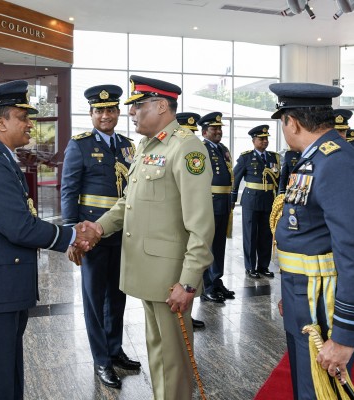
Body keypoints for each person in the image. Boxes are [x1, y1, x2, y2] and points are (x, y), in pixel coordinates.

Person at [0, 80, 99, 400]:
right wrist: (73, 235)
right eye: (23, 117)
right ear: (1, 122)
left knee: (6, 381)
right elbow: (19, 227)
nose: (30, 123)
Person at [83, 75, 214, 400]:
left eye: (138, 105)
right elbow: (128, 202)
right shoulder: (147, 146)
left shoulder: (186, 147)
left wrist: (188, 282)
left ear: (161, 106)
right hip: (150, 273)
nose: (131, 112)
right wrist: (99, 228)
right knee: (159, 354)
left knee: (173, 360)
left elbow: (201, 224)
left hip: (171, 279)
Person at [268, 82, 354, 400]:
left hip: (323, 302)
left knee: (321, 393)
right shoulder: (314, 158)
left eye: (283, 123)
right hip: (304, 295)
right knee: (305, 388)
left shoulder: (337, 162)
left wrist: (345, 335)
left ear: (292, 122)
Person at [61, 84, 141, 389]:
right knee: (94, 299)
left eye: (110, 110)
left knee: (117, 295)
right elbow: (69, 190)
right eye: (99, 111)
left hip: (122, 232)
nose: (105, 115)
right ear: (91, 114)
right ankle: (101, 360)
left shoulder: (128, 146)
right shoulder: (80, 145)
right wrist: (73, 234)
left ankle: (115, 349)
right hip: (90, 235)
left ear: (118, 112)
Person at [197, 111, 236, 303]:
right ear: (204, 132)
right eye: (214, 128)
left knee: (219, 244)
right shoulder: (201, 149)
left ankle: (216, 280)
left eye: (219, 128)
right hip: (210, 202)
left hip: (223, 202)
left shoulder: (222, 149)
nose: (218, 131)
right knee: (207, 245)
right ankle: (206, 286)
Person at [232, 125, 279, 279]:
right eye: (261, 139)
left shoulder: (273, 157)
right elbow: (235, 178)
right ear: (253, 141)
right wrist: (232, 199)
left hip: (268, 200)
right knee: (251, 235)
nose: (265, 141)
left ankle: (263, 266)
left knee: (266, 235)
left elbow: (278, 180)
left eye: (266, 138)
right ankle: (250, 267)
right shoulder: (246, 157)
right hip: (251, 201)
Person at [175, 111, 207, 329]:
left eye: (193, 132)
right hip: (178, 222)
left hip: (194, 219)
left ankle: (189, 311)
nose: (190, 136)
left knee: (195, 263)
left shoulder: (194, 151)